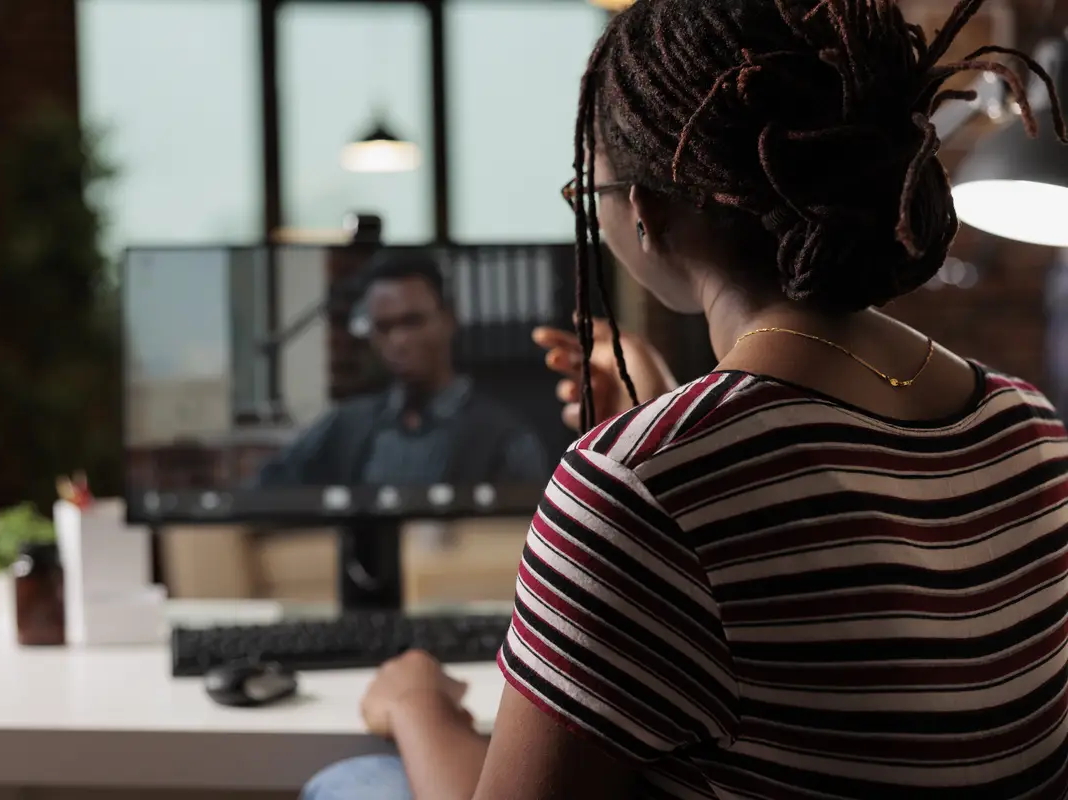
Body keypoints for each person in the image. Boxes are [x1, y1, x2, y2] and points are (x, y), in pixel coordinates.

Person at [302, 0, 1068, 797]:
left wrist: (423, 708)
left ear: (645, 211)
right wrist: (672, 416)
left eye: (586, 190)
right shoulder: (1028, 424)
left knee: (357, 778)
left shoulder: (634, 485)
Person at [255, 252, 549, 488]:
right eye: (384, 327)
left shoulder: (501, 437)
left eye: (413, 322)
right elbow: (265, 489)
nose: (399, 341)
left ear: (448, 318)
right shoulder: (348, 425)